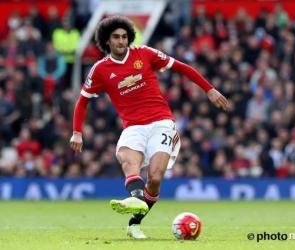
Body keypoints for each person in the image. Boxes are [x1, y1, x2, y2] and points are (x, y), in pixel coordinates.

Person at [70, 15, 228, 239]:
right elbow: (82, 101)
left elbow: (182, 67)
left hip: (161, 122)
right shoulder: (100, 70)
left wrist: (209, 89)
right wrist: (77, 132)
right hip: (133, 127)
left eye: (125, 37)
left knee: (154, 178)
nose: (121, 41)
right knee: (127, 160)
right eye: (115, 37)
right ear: (106, 40)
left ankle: (134, 222)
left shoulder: (145, 53)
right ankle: (136, 198)